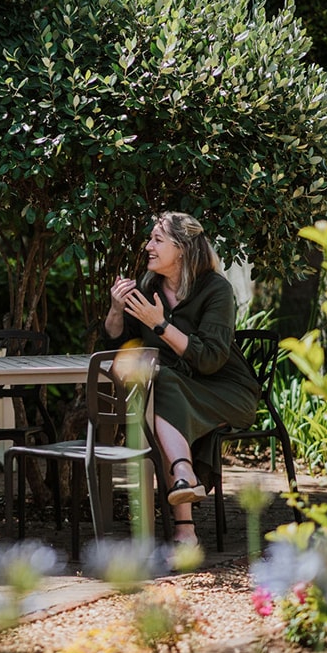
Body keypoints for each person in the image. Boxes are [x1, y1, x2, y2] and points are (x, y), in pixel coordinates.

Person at [104, 211, 260, 544]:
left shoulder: (216, 289)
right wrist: (117, 309)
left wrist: (161, 325)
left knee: (159, 388)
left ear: (183, 248)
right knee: (159, 386)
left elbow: (210, 359)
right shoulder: (148, 285)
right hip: (176, 387)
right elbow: (120, 341)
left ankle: (184, 508)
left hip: (226, 390)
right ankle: (183, 480)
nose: (148, 246)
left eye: (157, 240)